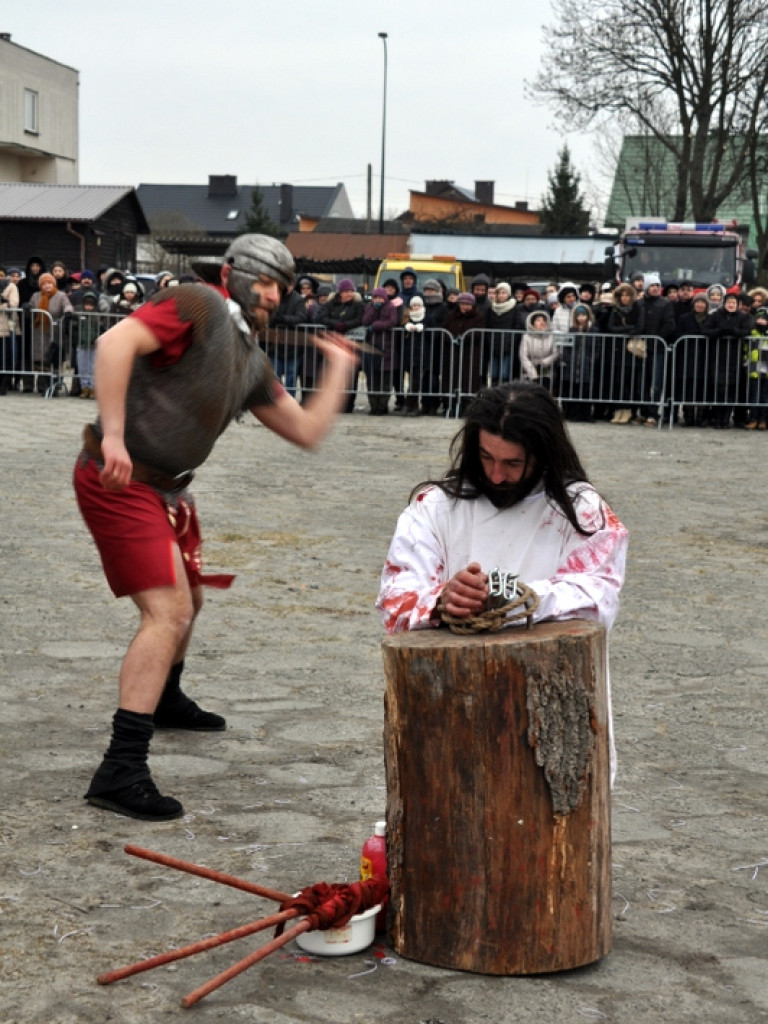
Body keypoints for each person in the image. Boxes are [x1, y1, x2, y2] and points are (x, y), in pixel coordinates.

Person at [73, 234, 359, 822]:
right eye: (265, 281)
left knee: (192, 600)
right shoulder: (197, 303)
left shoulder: (250, 361)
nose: (273, 295)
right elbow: (114, 343)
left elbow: (306, 431)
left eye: (281, 286)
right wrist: (115, 435)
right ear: (231, 274)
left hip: (169, 490)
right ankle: (121, 769)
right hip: (120, 479)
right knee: (169, 612)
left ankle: (165, 697)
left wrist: (339, 368)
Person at [376, 382, 628, 778]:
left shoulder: (583, 512)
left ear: (544, 454)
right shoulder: (435, 507)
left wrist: (509, 600)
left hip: (554, 726)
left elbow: (597, 598)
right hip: (451, 713)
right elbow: (395, 597)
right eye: (486, 457)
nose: (496, 475)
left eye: (513, 463)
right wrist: (442, 600)